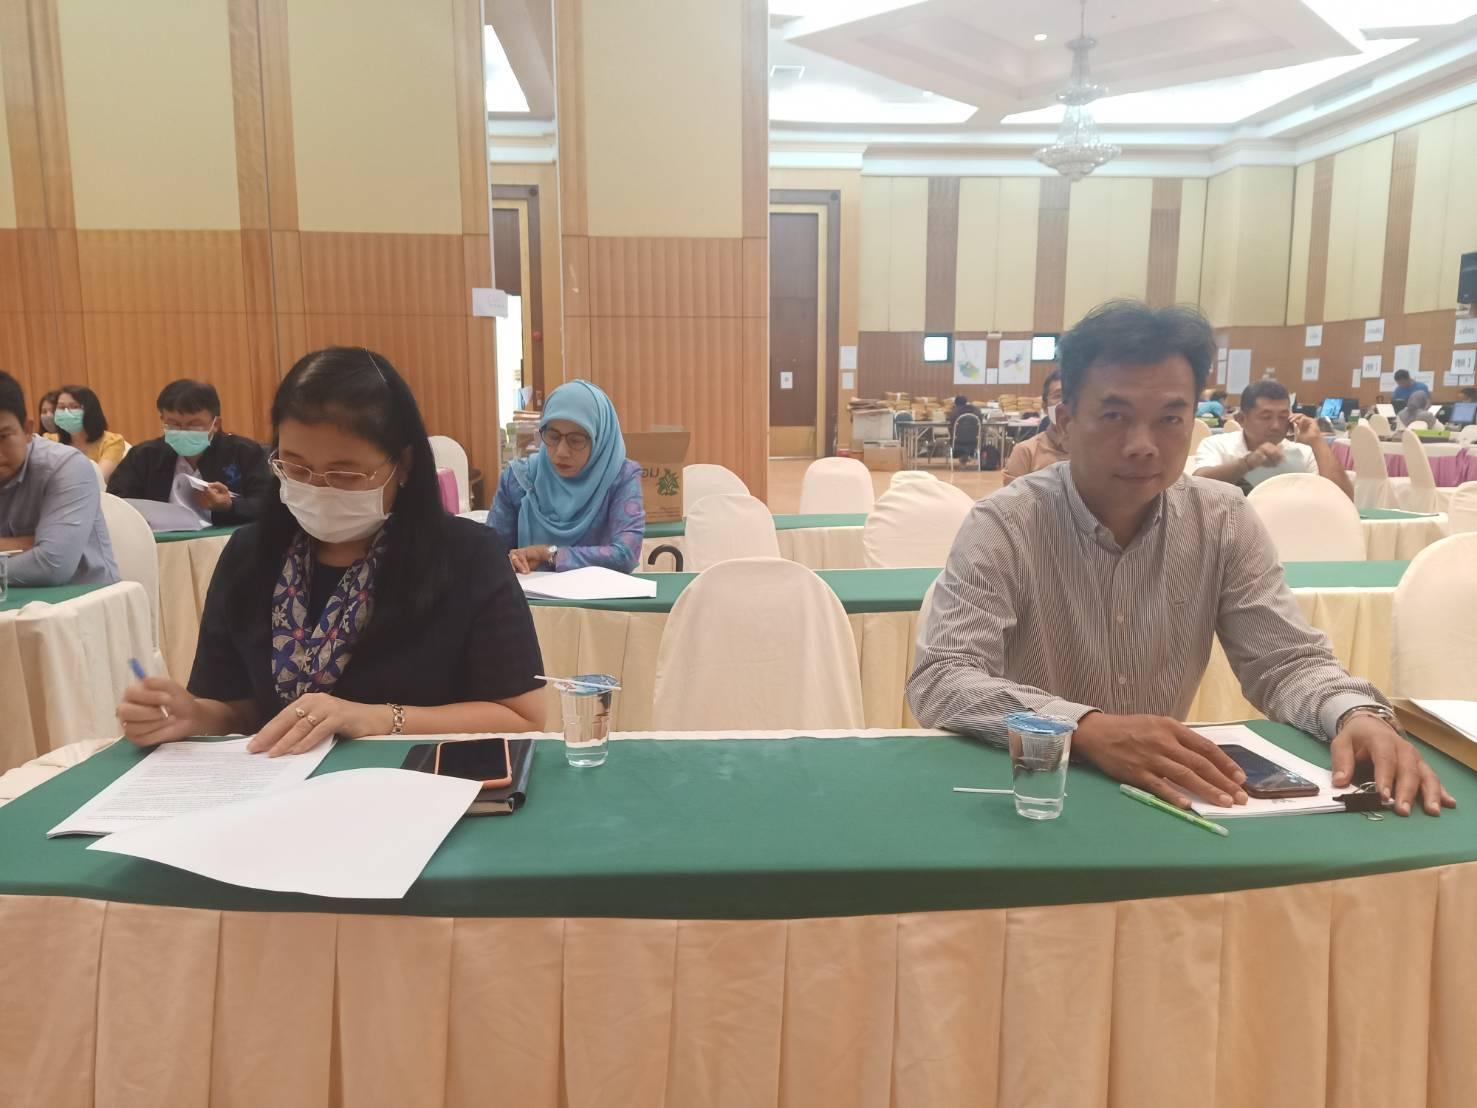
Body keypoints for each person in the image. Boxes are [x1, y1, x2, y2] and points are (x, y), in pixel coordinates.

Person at [908, 300, 1450, 818]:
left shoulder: (1222, 519)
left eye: (1170, 419)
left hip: (1167, 802)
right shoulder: (1006, 523)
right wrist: (1084, 729)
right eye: (1115, 415)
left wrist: (1354, 712)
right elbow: (944, 677)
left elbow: (1285, 661)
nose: (1142, 444)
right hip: (1032, 799)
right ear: (1066, 422)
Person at [115, 347, 545, 756]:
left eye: (345, 474)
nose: (318, 489)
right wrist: (194, 717)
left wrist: (377, 718)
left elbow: (522, 716)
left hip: (420, 786)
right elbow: (240, 709)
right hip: (277, 789)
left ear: (404, 465)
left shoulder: (467, 556)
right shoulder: (250, 555)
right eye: (296, 467)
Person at [489, 379, 644, 574]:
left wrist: (550, 555)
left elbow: (626, 554)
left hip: (599, 593)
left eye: (576, 440)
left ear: (599, 439)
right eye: (553, 436)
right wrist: (509, 559)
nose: (561, 451)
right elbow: (489, 552)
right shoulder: (519, 480)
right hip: (526, 592)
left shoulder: (620, 477)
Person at [0, 372, 118, 586]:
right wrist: (29, 544)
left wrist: (35, 549)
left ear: (27, 430)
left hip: (83, 598)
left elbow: (51, 565)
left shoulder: (66, 466)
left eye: (2, 437)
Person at [107, 379, 272, 526]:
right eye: (173, 424)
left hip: (226, 542)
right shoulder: (143, 456)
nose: (183, 431)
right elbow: (115, 502)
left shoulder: (244, 452)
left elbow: (267, 504)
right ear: (163, 420)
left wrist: (230, 505)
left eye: (194, 425)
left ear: (215, 424)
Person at [1192, 379, 1354, 500]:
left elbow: (1344, 500)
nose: (1276, 426)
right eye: (1266, 417)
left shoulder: (1303, 453)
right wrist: (1247, 463)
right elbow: (1198, 486)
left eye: (1283, 417)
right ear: (1241, 419)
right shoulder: (1218, 445)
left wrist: (1317, 441)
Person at [1002, 370, 1068, 485]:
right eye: (1058, 396)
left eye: (1072, 395)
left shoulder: (1092, 452)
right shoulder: (1026, 452)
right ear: (1045, 406)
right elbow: (1011, 496)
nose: (1066, 402)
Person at [53, 385, 127, 481]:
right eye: (61, 407)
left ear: (90, 411)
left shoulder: (111, 442)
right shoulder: (50, 441)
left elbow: (99, 478)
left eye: (74, 407)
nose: (66, 412)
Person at [946, 395, 982, 461]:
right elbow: (980, 423)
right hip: (974, 443)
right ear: (966, 402)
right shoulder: (976, 411)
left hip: (957, 444)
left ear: (956, 404)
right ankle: (967, 456)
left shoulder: (954, 413)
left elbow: (951, 426)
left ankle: (963, 456)